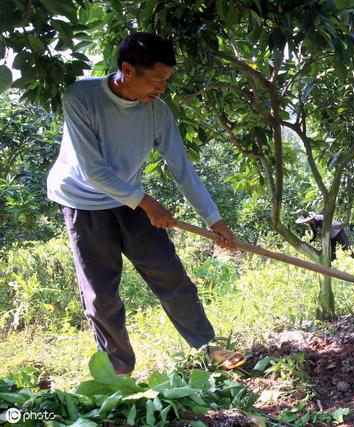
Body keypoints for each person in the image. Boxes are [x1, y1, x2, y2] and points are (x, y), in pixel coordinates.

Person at [46, 32, 243, 375]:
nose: (161, 89)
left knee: (171, 275)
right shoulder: (81, 97)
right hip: (83, 203)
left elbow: (182, 169)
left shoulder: (157, 112)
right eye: (156, 80)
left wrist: (214, 220)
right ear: (127, 70)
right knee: (101, 296)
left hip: (131, 201)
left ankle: (210, 350)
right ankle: (118, 374)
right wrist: (148, 203)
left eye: (166, 81)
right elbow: (93, 171)